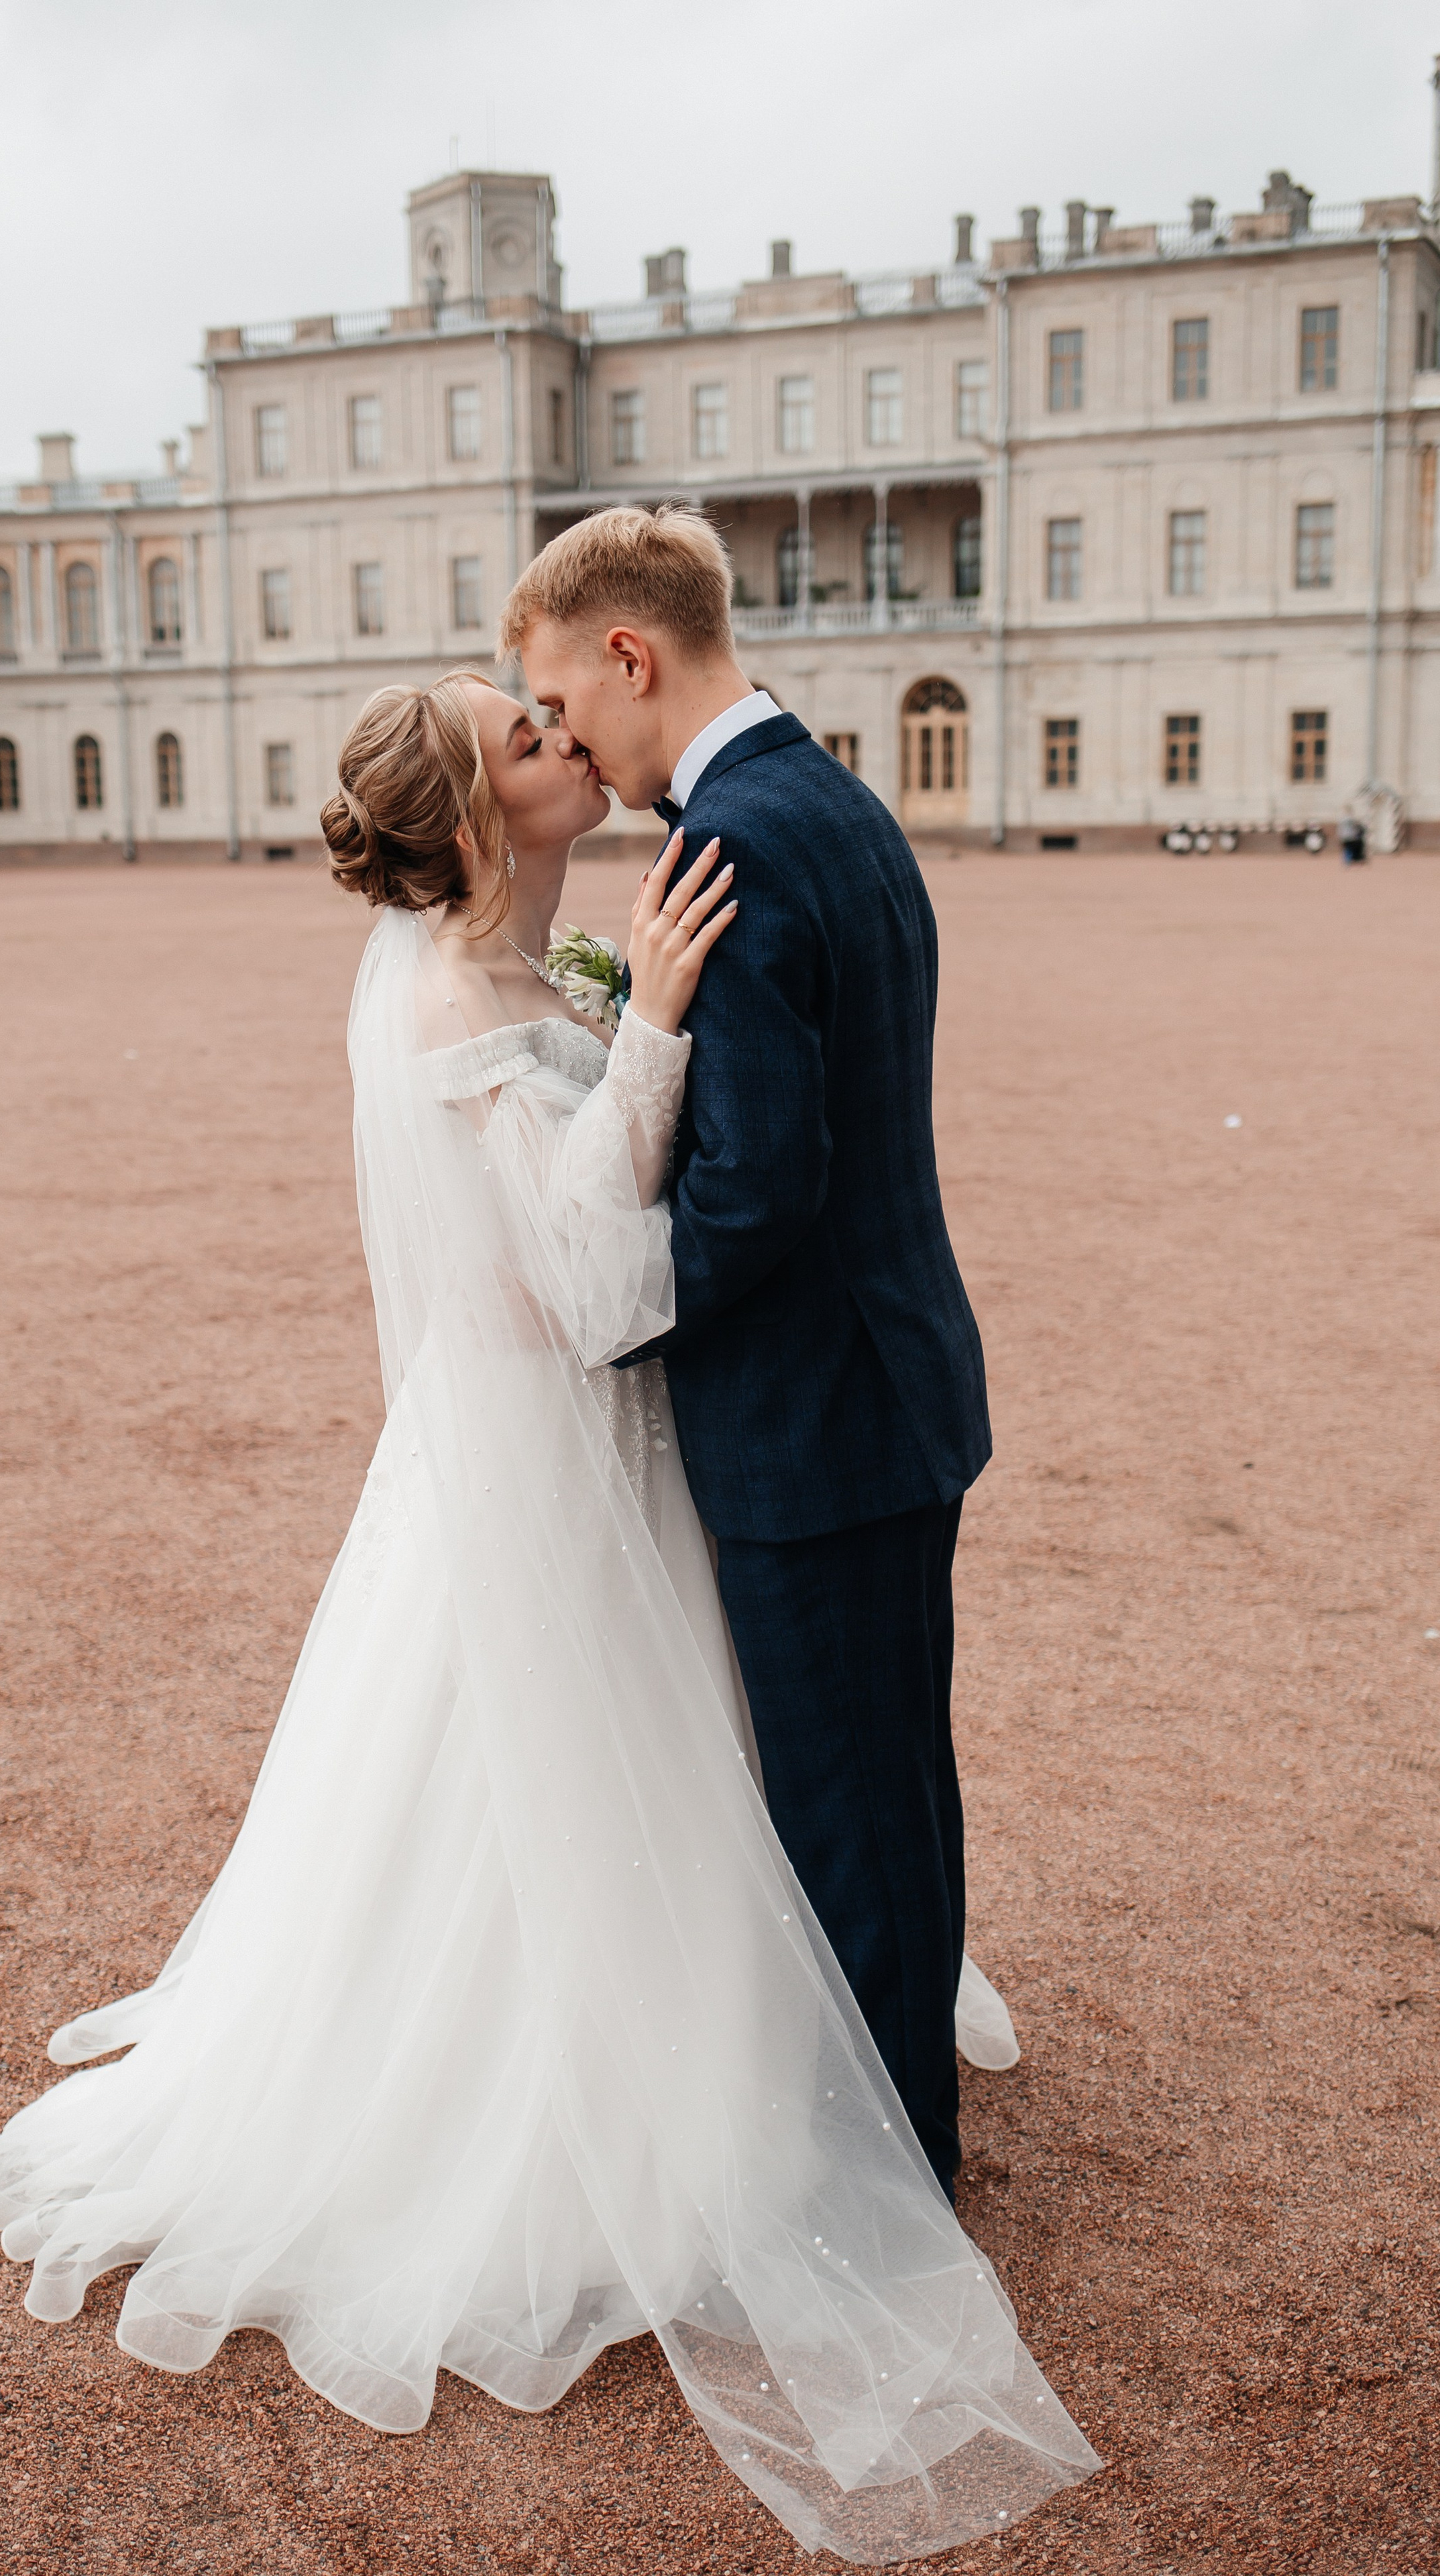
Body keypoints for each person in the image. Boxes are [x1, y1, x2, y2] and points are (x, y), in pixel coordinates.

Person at [0, 671, 1095, 2561]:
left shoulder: (525, 956)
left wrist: (617, 1008)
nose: (572, 739)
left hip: (591, 1446)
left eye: (560, 712)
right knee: (551, 1765)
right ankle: (603, 2113)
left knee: (675, 1749)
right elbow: (566, 1294)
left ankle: (743, 2031)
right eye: (528, 736)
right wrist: (647, 1031)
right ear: (480, 818)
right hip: (552, 1445)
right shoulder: (449, 997)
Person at [507, 506, 991, 2200]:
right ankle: (908, 2106)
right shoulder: (824, 799)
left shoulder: (730, 846)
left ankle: (890, 2180)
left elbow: (758, 1183)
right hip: (888, 1381)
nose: (568, 740)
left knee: (844, 1807)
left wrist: (608, 1307)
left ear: (631, 656)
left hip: (816, 1412)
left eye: (567, 704)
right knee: (893, 1778)